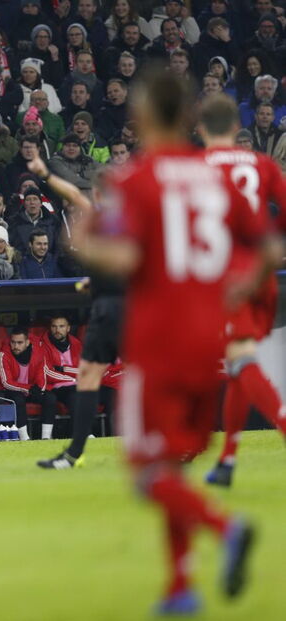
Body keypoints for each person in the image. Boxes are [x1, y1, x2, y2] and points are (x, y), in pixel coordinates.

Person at [63, 71, 259, 615]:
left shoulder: (136, 180)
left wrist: (84, 246)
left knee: (149, 474)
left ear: (145, 116)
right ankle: (180, 587)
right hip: (208, 341)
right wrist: (237, 285)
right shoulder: (218, 179)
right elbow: (262, 246)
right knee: (174, 469)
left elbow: (126, 258)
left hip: (159, 342)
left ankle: (228, 527)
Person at [197, 95, 286, 488]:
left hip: (225, 275)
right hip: (263, 272)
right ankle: (228, 461)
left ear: (201, 130)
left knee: (241, 357)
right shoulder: (262, 164)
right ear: (236, 128)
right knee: (236, 366)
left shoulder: (196, 167)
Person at [31, 155, 127, 469]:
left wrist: (45, 173)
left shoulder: (101, 216)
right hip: (137, 306)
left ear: (98, 193)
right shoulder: (137, 218)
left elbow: (73, 196)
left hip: (112, 307)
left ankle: (74, 454)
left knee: (88, 378)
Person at [0, 327, 47, 440]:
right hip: (9, 390)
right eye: (13, 342)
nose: (16, 346)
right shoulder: (3, 354)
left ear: (27, 342)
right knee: (18, 400)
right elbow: (6, 383)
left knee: (49, 398)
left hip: (29, 389)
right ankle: (24, 438)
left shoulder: (38, 353)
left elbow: (42, 377)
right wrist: (29, 389)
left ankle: (46, 437)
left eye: (20, 343)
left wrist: (39, 390)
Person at [38, 316, 83, 440]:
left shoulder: (76, 344)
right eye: (54, 326)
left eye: (61, 326)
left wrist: (63, 369)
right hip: (51, 386)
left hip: (72, 386)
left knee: (77, 396)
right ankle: (46, 437)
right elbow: (46, 372)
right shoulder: (42, 344)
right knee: (50, 398)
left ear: (68, 328)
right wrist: (72, 378)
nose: (57, 330)